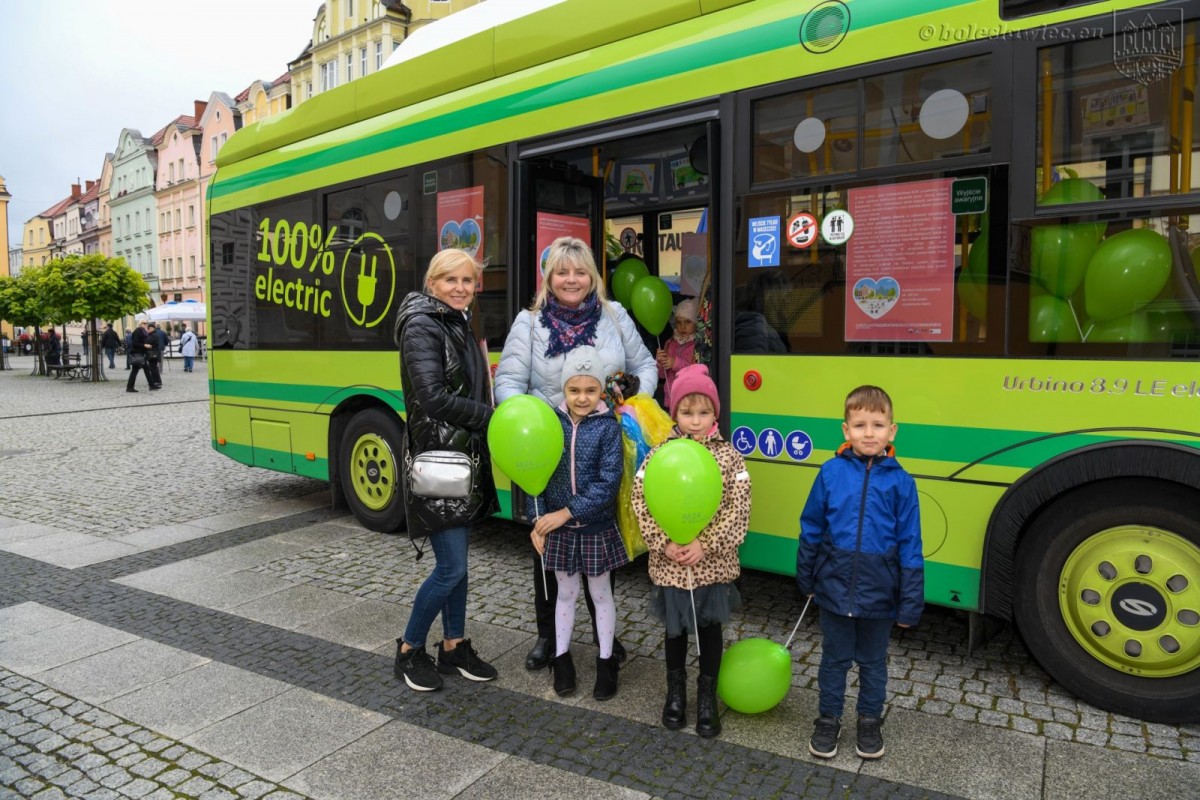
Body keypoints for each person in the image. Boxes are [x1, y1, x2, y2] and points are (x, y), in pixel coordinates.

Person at [494, 236, 658, 671]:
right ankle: (548, 637)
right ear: (549, 278)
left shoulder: (614, 315)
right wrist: (533, 424)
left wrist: (634, 396)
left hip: (601, 446)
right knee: (549, 542)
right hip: (548, 453)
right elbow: (508, 384)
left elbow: (646, 366)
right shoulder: (529, 323)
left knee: (598, 540)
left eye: (580, 271)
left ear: (592, 277)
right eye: (562, 272)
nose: (572, 279)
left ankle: (605, 637)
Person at [796, 385, 923, 761]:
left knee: (873, 662)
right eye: (860, 425)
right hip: (834, 590)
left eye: (878, 425)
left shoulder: (902, 483)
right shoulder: (830, 473)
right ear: (846, 429)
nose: (869, 433)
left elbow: (911, 545)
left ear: (892, 431)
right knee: (834, 660)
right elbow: (812, 528)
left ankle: (869, 720)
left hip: (879, 594)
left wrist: (909, 602)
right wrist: (806, 577)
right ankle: (828, 719)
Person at [392, 248, 499, 693]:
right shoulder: (423, 324)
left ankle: (453, 646)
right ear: (432, 283)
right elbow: (433, 398)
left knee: (459, 565)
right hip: (441, 460)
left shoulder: (455, 321)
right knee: (451, 568)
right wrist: (490, 416)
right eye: (450, 280)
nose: (460, 288)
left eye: (467, 281)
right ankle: (409, 649)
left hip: (459, 456)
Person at [632, 364, 751, 738]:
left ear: (715, 413)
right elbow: (641, 500)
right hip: (671, 564)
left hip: (711, 566)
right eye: (686, 412)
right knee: (675, 632)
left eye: (704, 412)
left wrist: (705, 543)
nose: (695, 421)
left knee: (710, 630)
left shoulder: (729, 457)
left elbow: (739, 508)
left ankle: (706, 697)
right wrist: (664, 542)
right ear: (675, 413)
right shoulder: (659, 454)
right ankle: (676, 693)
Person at [528, 346, 628, 700]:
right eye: (574, 390)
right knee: (565, 595)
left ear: (601, 390)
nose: (582, 398)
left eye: (590, 390)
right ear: (563, 389)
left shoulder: (607, 427)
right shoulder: (550, 423)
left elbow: (608, 483)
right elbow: (535, 473)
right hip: (558, 529)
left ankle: (606, 661)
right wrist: (538, 520)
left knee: (601, 594)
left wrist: (566, 512)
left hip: (594, 527)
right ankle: (561, 659)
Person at [655, 298, 698, 413]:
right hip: (671, 398)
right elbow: (662, 375)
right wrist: (660, 362)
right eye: (679, 322)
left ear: (696, 323)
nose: (682, 327)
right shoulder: (670, 343)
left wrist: (675, 363)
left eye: (688, 322)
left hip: (690, 398)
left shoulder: (697, 345)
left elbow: (697, 371)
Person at [126, 321, 160, 392]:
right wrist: (145, 345)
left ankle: (151, 385)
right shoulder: (137, 331)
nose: (146, 324)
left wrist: (146, 345)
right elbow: (135, 343)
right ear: (140, 324)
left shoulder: (143, 331)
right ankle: (129, 387)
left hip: (141, 354)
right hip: (137, 354)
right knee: (135, 371)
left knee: (146, 370)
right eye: (144, 323)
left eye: (146, 323)